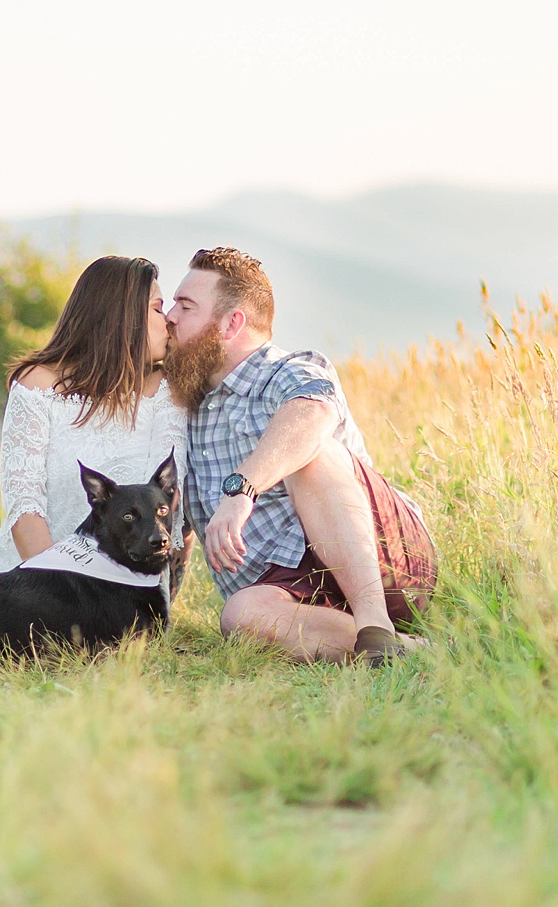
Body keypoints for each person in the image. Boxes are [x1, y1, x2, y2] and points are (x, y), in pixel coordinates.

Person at [164, 247, 437, 664]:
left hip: (382, 561)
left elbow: (312, 412)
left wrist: (242, 490)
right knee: (240, 615)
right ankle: (408, 652)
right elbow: (174, 523)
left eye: (186, 306)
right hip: (290, 588)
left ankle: (376, 625)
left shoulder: (288, 370)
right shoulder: (187, 405)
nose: (170, 316)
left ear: (230, 324)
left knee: (312, 450)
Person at [0, 254, 189, 590]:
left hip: (131, 596)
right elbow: (24, 507)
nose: (169, 320)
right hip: (34, 581)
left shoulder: (170, 394)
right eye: (158, 308)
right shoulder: (38, 386)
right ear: (124, 317)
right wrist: (63, 599)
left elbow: (174, 511)